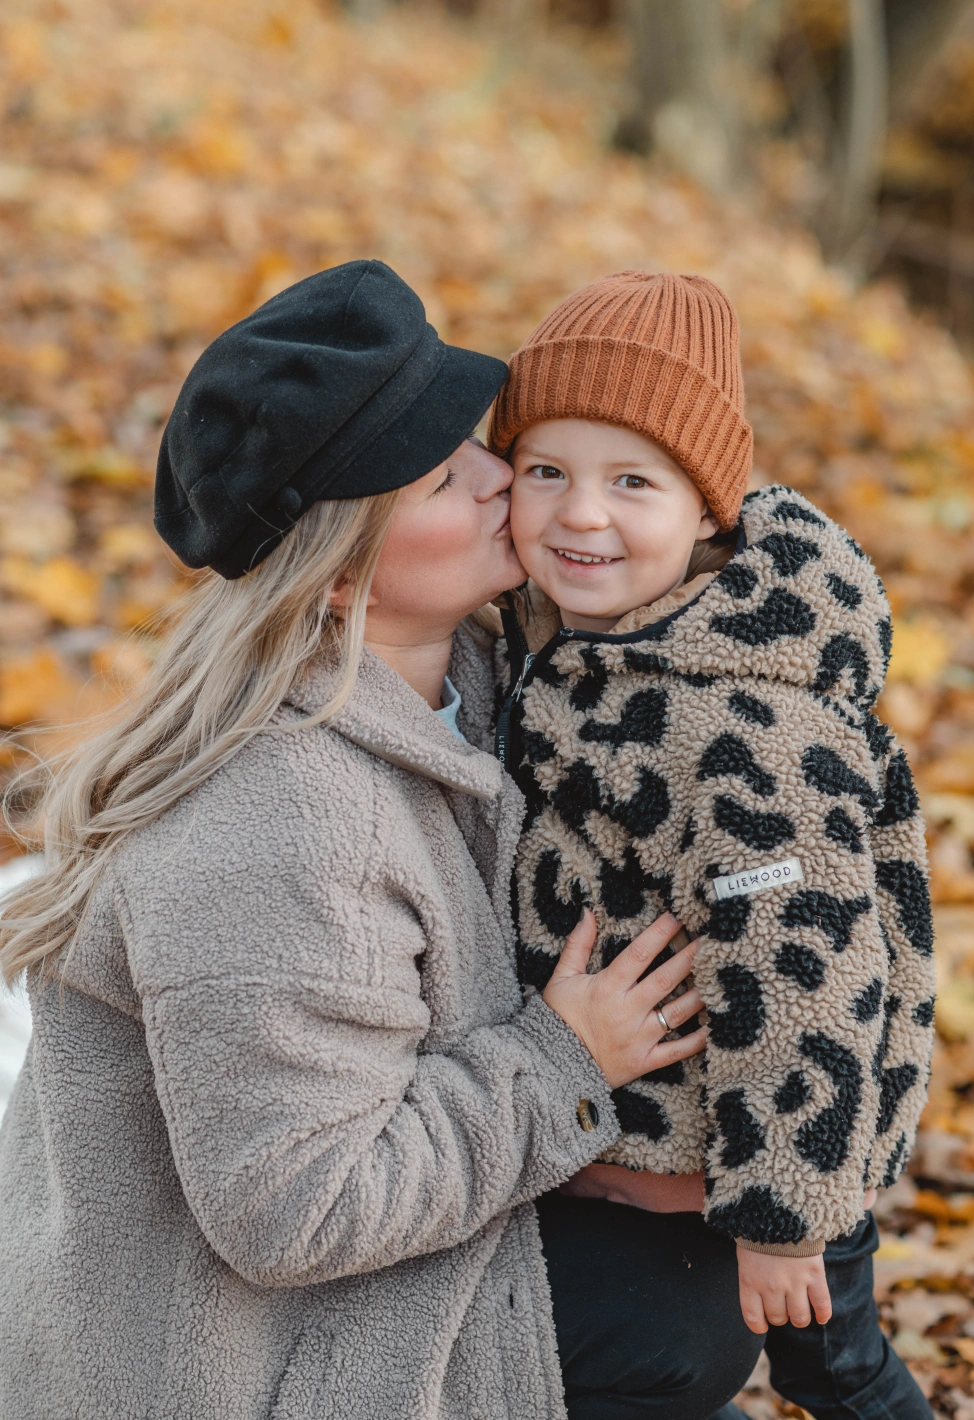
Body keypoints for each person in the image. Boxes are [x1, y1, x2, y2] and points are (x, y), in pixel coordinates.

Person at [0, 261, 760, 1420]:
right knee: (680, 1321)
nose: (506, 478)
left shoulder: (467, 668)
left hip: (338, 1204)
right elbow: (294, 1214)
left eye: (476, 443)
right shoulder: (281, 827)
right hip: (214, 1351)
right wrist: (562, 1060)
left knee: (715, 1221)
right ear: (343, 577)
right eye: (449, 479)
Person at [487, 269, 936, 1419]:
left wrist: (783, 1217)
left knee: (832, 1364)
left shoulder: (745, 726)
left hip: (782, 1150)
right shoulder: (564, 639)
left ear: (707, 513)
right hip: (638, 1144)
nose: (579, 514)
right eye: (546, 471)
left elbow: (808, 979)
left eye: (630, 481)